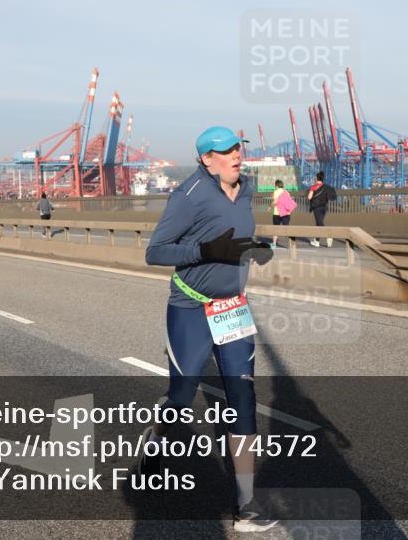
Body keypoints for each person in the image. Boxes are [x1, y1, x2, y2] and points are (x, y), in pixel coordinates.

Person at [140, 126, 275, 532]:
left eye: (237, 148)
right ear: (205, 158)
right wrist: (205, 251)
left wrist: (256, 249)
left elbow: (239, 236)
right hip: (190, 307)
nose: (236, 155)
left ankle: (246, 504)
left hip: (232, 308)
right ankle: (158, 437)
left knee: (243, 395)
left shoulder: (247, 188)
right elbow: (155, 252)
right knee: (182, 396)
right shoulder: (188, 196)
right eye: (225, 150)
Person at [307, 171, 335, 247]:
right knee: (319, 223)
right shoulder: (326, 187)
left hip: (317, 208)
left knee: (319, 223)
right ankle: (317, 241)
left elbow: (309, 197)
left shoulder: (313, 187)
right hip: (324, 207)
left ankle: (328, 236)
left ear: (317, 178)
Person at [270, 179, 296, 248]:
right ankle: (291, 244)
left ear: (276, 185)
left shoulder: (276, 192)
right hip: (286, 213)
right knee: (286, 228)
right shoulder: (286, 192)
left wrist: (270, 205)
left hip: (277, 213)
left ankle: (274, 244)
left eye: (275, 186)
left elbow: (275, 202)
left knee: (275, 229)